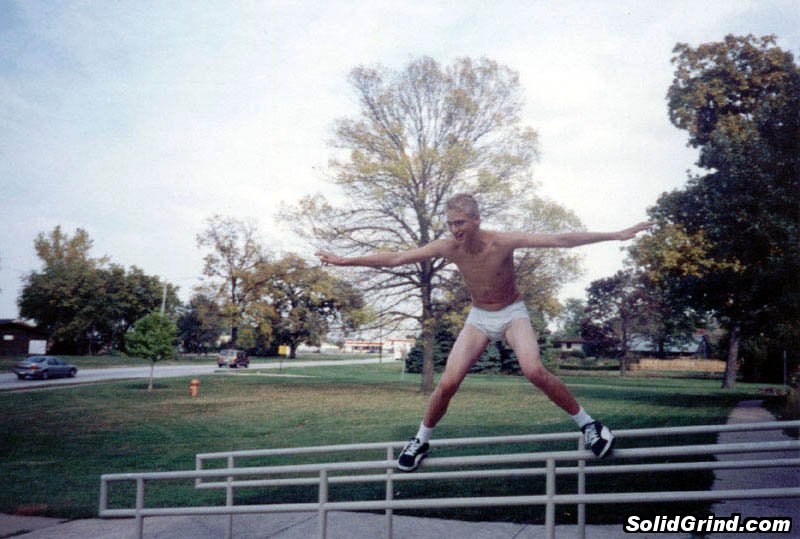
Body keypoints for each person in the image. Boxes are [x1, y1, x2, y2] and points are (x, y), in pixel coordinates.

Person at [315, 193, 652, 472]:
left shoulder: (502, 242)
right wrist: (345, 261)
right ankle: (420, 441)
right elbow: (398, 258)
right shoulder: (449, 246)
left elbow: (562, 240)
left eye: (460, 223)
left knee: (533, 369)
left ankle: (589, 426)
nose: (454, 229)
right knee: (447, 382)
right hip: (479, 317)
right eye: (450, 224)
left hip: (512, 314)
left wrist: (616, 235)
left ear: (476, 220)